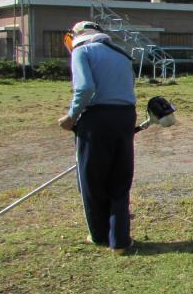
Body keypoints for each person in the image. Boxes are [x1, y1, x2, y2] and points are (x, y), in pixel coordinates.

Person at [57, 21, 137, 252]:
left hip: (96, 120)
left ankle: (99, 235)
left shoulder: (82, 51)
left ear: (76, 36)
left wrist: (71, 116)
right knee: (119, 180)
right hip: (125, 117)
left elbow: (85, 88)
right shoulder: (122, 55)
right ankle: (120, 240)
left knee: (92, 180)